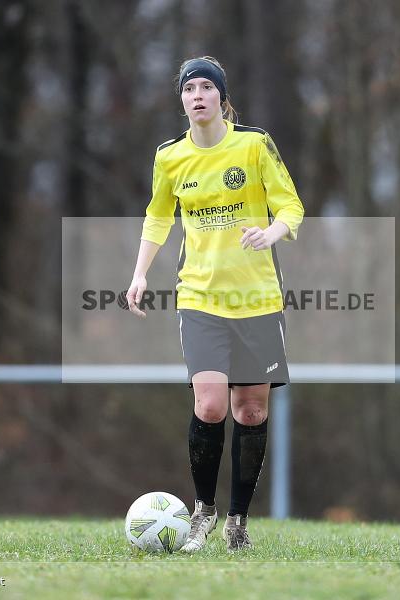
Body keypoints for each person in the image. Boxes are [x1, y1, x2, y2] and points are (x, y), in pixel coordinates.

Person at [126, 56, 304, 552]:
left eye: (207, 87)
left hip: (258, 300)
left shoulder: (253, 144)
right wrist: (139, 274)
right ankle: (202, 510)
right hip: (199, 297)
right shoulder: (170, 157)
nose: (197, 95)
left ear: (222, 98)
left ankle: (238, 521)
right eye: (189, 88)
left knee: (250, 412)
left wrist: (271, 230)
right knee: (210, 403)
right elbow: (157, 217)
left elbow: (291, 204)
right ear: (181, 100)